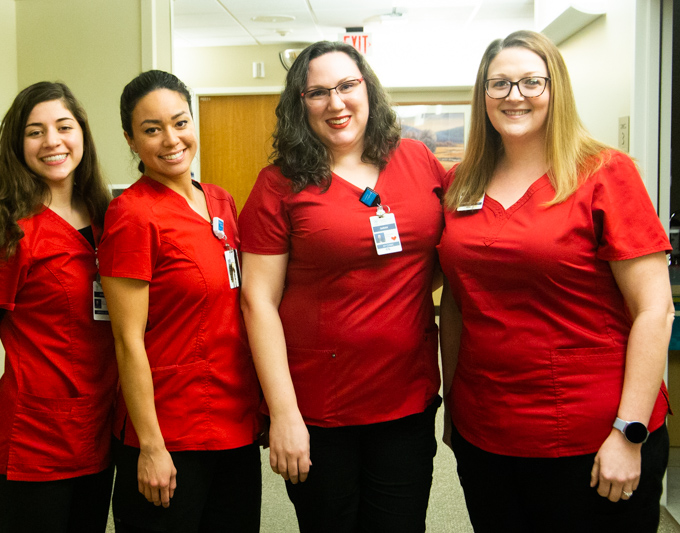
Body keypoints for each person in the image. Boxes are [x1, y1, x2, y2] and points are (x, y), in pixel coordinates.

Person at [438, 30, 673, 532]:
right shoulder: (462, 182)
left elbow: (655, 309)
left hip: (594, 433)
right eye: (499, 84)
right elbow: (457, 302)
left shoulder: (606, 173)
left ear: (555, 88)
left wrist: (629, 433)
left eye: (530, 82)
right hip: (487, 428)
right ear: (483, 95)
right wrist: (453, 407)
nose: (514, 95)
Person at [239, 40, 446, 532]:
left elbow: (445, 252)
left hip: (406, 400)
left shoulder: (417, 160)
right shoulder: (280, 184)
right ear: (299, 105)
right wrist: (284, 413)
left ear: (368, 90)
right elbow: (257, 301)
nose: (336, 103)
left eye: (348, 85)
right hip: (319, 408)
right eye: (317, 92)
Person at [0, 81, 117, 533]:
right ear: (16, 145)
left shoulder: (107, 217)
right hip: (33, 444)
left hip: (99, 431)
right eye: (35, 132)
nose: (53, 142)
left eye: (64, 126)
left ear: (82, 133)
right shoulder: (7, 232)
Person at [98, 70, 262, 533]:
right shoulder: (132, 215)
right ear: (131, 140)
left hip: (234, 423)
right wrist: (150, 445)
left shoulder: (220, 202)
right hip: (170, 433)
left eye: (180, 122)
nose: (171, 139)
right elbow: (127, 339)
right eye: (152, 129)